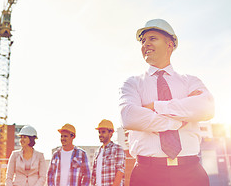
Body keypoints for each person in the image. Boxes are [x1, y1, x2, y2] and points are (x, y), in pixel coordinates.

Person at [119, 19, 215, 186]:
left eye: (152, 38)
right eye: (143, 41)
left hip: (191, 174)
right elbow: (129, 117)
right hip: (147, 175)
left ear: (170, 44)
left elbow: (207, 107)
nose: (145, 44)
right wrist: (180, 118)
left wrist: (156, 107)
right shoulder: (132, 83)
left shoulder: (190, 81)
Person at [91, 119, 125, 186]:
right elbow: (94, 176)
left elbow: (120, 171)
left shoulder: (117, 149)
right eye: (99, 132)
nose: (100, 134)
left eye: (103, 132)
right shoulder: (97, 152)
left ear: (110, 133)